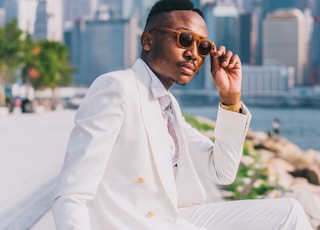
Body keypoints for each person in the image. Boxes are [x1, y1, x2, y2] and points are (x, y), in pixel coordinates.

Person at [52, 0, 313, 229]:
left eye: (203, 47)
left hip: (171, 219)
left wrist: (230, 98)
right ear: (147, 40)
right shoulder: (118, 87)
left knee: (288, 212)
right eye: (184, 39)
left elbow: (221, 172)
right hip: (137, 224)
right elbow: (72, 194)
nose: (193, 54)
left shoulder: (168, 106)